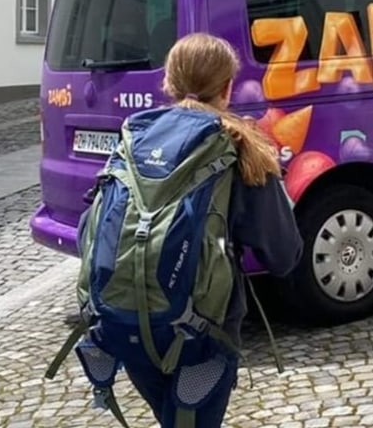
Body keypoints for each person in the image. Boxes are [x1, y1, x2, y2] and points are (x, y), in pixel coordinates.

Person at [122, 33, 304, 428]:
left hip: (126, 322)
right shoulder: (239, 144)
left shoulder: (135, 136)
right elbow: (283, 254)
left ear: (168, 82)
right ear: (227, 88)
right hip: (203, 333)